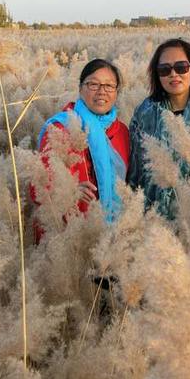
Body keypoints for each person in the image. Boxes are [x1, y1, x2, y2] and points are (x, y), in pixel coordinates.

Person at [127, 38, 190, 219]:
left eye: (181, 67)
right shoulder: (145, 112)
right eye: (164, 70)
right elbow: (136, 167)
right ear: (157, 75)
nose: (173, 74)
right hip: (154, 214)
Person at [32, 59, 129, 242]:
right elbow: (38, 184)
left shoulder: (122, 131)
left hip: (110, 236)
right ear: (80, 88)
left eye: (109, 85)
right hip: (68, 236)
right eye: (93, 84)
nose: (101, 91)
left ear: (117, 91)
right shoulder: (61, 128)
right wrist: (69, 190)